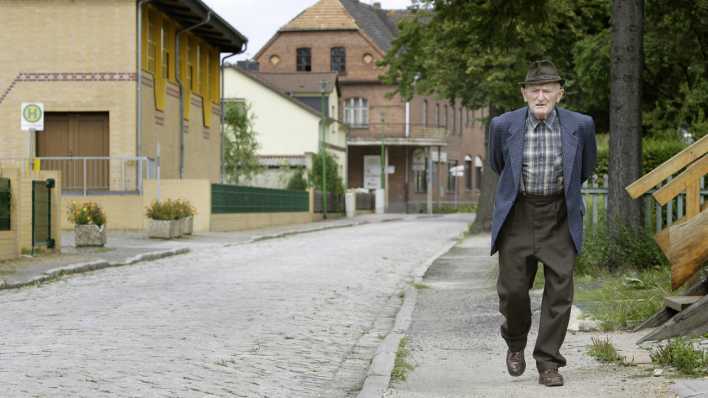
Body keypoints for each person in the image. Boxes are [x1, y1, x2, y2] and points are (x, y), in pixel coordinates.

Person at [487, 60, 597, 387]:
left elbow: (585, 167)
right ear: (523, 93)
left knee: (560, 292)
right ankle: (515, 342)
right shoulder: (502, 126)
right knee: (513, 291)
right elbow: (498, 164)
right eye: (533, 90)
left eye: (547, 90)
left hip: (559, 215)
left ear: (559, 94)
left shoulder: (582, 125)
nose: (540, 96)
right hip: (518, 215)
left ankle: (549, 362)